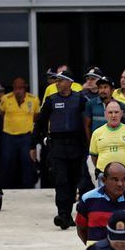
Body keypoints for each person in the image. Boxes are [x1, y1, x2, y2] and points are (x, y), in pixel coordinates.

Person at [31, 69, 89, 228]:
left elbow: (88, 122)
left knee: (75, 180)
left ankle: (71, 214)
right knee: (61, 180)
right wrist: (33, 144)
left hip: (76, 144)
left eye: (61, 80)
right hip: (57, 145)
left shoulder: (80, 99)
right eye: (57, 80)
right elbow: (40, 123)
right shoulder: (51, 100)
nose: (57, 83)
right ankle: (63, 214)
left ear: (70, 82)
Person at [75, 161, 125, 245]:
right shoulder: (88, 199)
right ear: (104, 180)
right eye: (115, 179)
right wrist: (93, 249)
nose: (120, 184)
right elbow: (81, 229)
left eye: (124, 179)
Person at [89, 100, 125, 189]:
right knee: (106, 203)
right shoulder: (97, 133)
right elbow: (94, 157)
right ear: (105, 114)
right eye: (110, 112)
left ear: (121, 113)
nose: (113, 115)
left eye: (116, 112)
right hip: (104, 178)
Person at [0, 77, 40, 189]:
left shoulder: (33, 100)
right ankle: (7, 187)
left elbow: (36, 116)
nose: (18, 91)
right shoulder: (5, 98)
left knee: (27, 161)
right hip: (9, 136)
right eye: (15, 88)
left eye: (20, 88)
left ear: (25, 88)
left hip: (26, 136)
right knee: (8, 161)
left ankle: (28, 186)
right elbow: (2, 112)